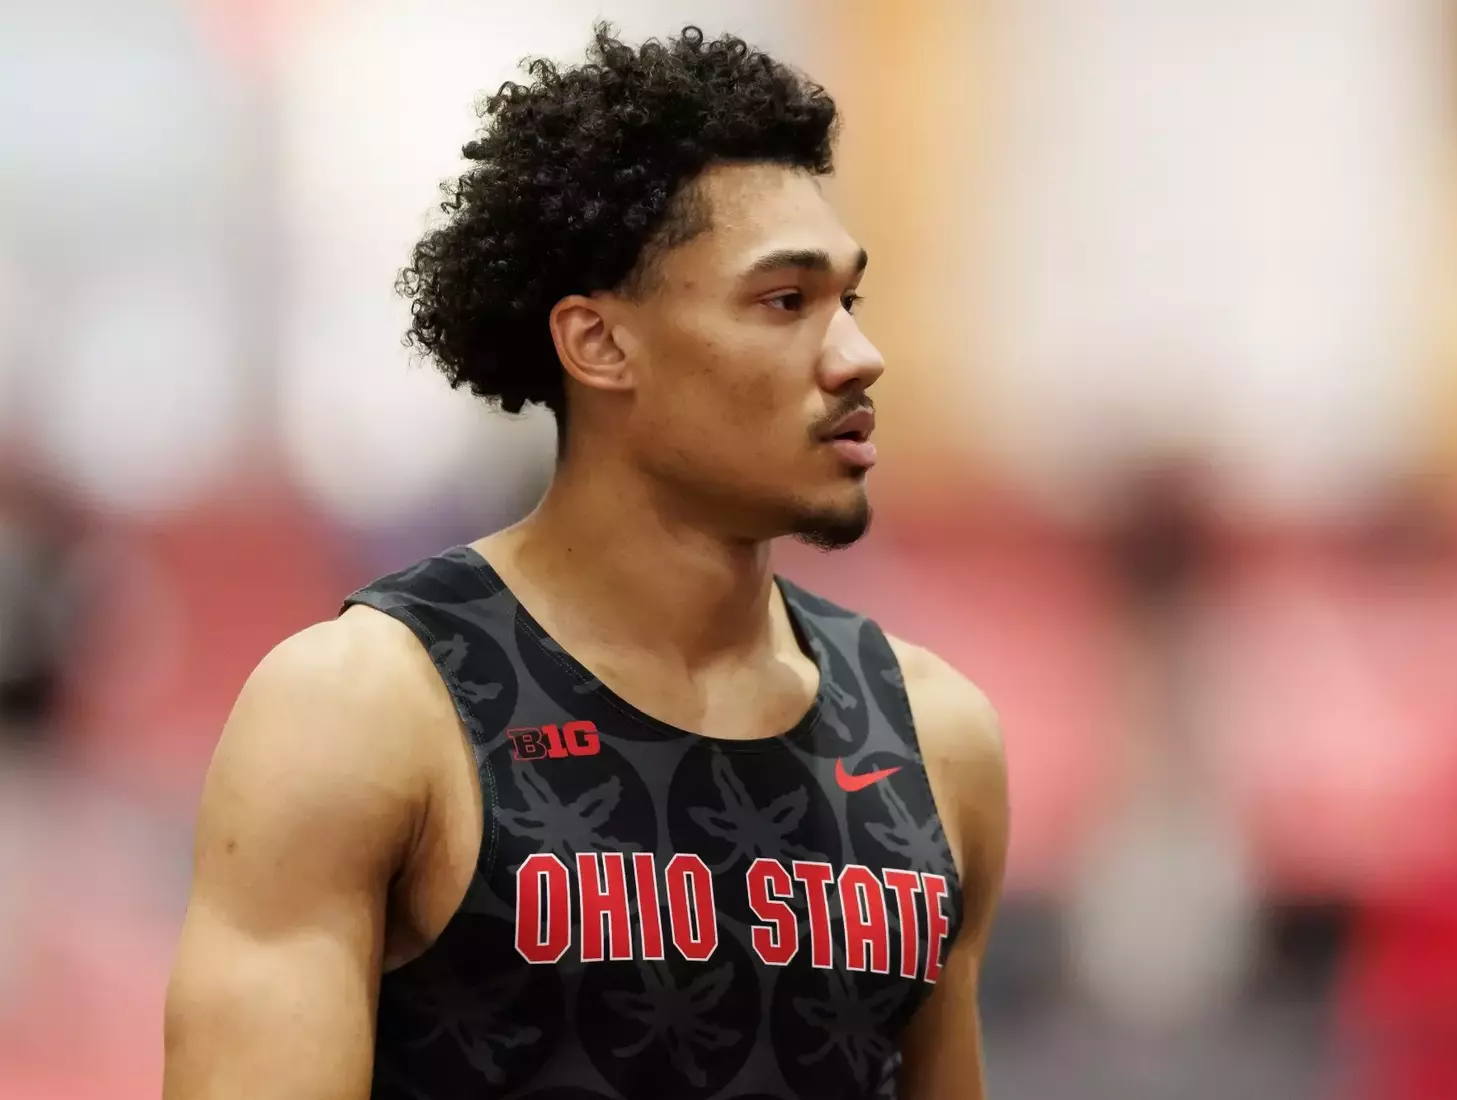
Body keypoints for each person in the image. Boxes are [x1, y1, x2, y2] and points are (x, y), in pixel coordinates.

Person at [161, 23, 1008, 1100]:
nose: (856, 355)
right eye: (787, 301)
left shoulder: (936, 739)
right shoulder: (367, 707)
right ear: (600, 343)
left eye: (852, 301)